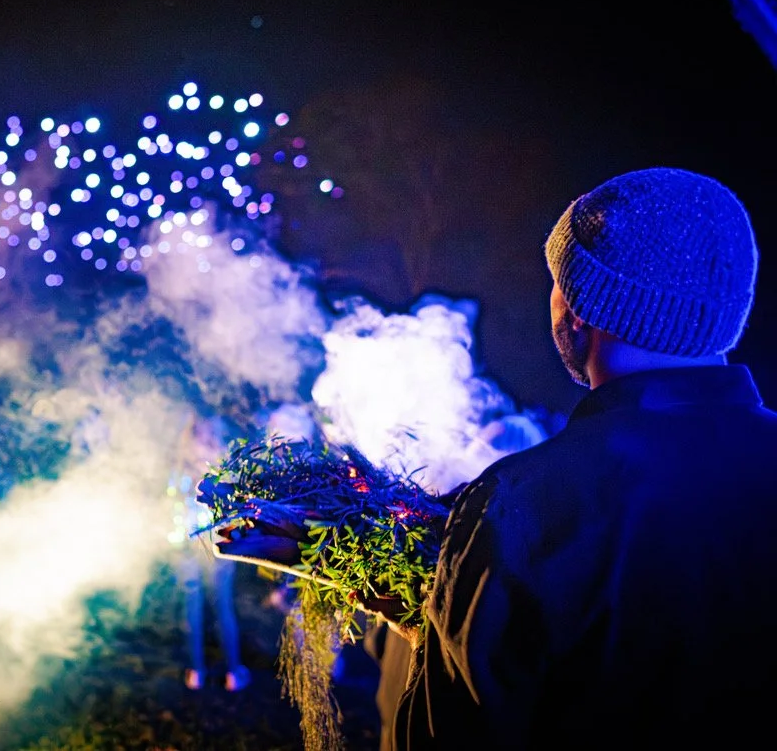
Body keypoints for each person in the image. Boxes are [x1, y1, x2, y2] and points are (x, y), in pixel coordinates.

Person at [213, 167, 777, 749]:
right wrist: (382, 578)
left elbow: (452, 729)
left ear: (578, 307)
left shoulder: (525, 502)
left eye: (557, 281)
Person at [172, 412, 251, 692]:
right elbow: (233, 504)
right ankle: (232, 672)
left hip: (188, 541)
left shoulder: (181, 465)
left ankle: (198, 672)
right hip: (216, 543)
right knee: (222, 606)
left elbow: (172, 499)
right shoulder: (219, 465)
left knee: (194, 607)